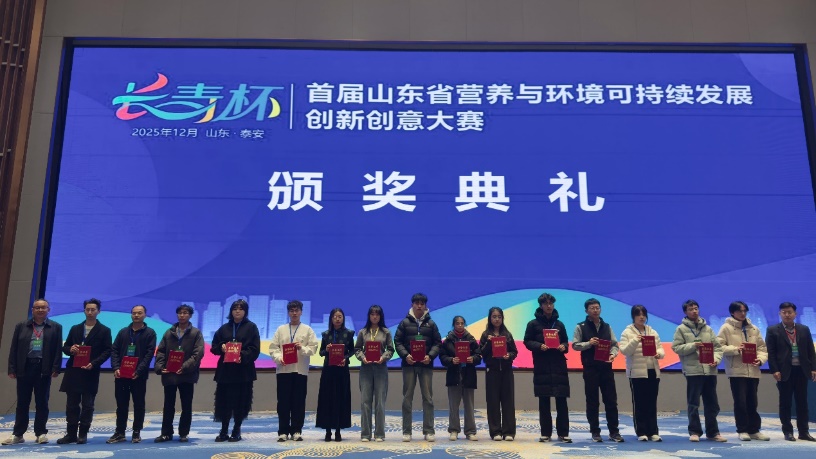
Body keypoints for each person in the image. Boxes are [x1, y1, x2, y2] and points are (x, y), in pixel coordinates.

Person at [2, 299, 62, 446]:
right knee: (22, 402)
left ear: (48, 310)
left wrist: (56, 368)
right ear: (32, 310)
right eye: (37, 308)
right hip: (24, 368)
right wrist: (12, 368)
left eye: (43, 308)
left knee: (42, 402)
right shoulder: (22, 326)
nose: (40, 310)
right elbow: (14, 348)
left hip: (43, 368)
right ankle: (18, 434)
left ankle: (40, 433)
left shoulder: (55, 327)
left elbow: (57, 350)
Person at [56, 298, 112, 445]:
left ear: (98, 311)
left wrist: (94, 363)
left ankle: (83, 434)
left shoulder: (104, 330)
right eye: (87, 309)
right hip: (73, 371)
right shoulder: (75, 328)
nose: (90, 312)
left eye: (93, 309)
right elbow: (65, 347)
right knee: (71, 405)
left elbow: (107, 351)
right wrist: (70, 349)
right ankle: (71, 434)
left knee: (88, 405)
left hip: (90, 371)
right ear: (84, 311)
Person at [671, 299, 726, 442]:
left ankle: (713, 432)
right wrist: (693, 346)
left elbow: (718, 348)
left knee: (712, 404)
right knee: (693, 403)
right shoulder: (681, 329)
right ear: (685, 312)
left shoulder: (708, 329)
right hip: (693, 371)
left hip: (709, 371)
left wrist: (716, 360)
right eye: (691, 309)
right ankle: (695, 431)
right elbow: (676, 348)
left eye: (696, 308)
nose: (694, 311)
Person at [572, 298, 623, 443]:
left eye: (597, 308)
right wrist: (589, 343)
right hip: (590, 369)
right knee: (592, 401)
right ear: (586, 310)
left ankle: (614, 431)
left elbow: (614, 345)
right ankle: (595, 431)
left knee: (611, 401)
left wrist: (613, 354)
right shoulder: (580, 327)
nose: (595, 310)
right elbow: (575, 345)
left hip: (606, 368)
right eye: (592, 308)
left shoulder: (607, 326)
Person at [717, 300, 769, 441]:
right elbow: (719, 347)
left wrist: (760, 360)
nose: (743, 313)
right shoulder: (726, 328)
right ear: (732, 312)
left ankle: (754, 430)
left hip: (753, 370)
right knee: (740, 402)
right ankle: (742, 430)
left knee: (753, 402)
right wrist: (735, 349)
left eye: (745, 311)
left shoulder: (754, 329)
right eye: (739, 311)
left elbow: (762, 348)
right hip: (736, 371)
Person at [210, 299, 260, 442]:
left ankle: (236, 429)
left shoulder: (251, 327)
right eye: (234, 309)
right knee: (224, 401)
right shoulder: (224, 328)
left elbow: (255, 349)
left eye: (240, 309)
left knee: (241, 401)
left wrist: (241, 356)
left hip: (243, 371)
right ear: (231, 311)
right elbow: (214, 347)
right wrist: (221, 347)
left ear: (245, 311)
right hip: (225, 371)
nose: (237, 311)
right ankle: (224, 430)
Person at [394, 292, 442, 442]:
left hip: (426, 366)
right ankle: (406, 431)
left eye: (422, 303)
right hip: (409, 365)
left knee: (428, 398)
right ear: (412, 305)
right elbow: (397, 342)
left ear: (425, 306)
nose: (419, 306)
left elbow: (437, 343)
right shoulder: (404, 323)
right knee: (407, 398)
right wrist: (405, 355)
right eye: (417, 303)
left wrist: (430, 356)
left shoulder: (431, 324)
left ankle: (429, 430)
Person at [765, 302, 816, 441]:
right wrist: (774, 370)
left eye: (789, 312)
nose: (787, 315)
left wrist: (813, 368)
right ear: (779, 314)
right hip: (784, 371)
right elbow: (771, 352)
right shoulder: (773, 330)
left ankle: (804, 432)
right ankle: (788, 432)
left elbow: (810, 350)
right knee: (785, 403)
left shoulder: (804, 329)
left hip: (802, 370)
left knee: (802, 403)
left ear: (795, 314)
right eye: (784, 312)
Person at [154, 304, 205, 443]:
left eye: (185, 313)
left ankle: (184, 433)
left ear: (190, 315)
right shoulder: (169, 332)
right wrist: (160, 367)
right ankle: (166, 433)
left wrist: (184, 367)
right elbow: (160, 351)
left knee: (186, 406)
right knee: (168, 406)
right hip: (170, 374)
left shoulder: (196, 333)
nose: (182, 315)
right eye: (180, 313)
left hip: (187, 375)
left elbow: (198, 353)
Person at [269, 300, 319, 442]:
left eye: (297, 310)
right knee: (283, 402)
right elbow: (273, 348)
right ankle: (283, 431)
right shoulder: (281, 329)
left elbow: (313, 348)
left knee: (298, 401)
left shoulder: (307, 330)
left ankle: (297, 430)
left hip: (300, 371)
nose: (294, 313)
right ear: (288, 313)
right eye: (291, 311)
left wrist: (301, 348)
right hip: (283, 370)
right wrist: (279, 358)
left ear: (301, 312)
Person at [525, 293, 571, 443]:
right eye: (546, 303)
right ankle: (545, 433)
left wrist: (563, 346)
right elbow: (527, 341)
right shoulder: (533, 324)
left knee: (561, 401)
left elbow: (566, 342)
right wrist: (539, 346)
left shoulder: (559, 324)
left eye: (551, 303)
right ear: (541, 306)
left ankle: (563, 433)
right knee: (544, 401)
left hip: (559, 366)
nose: (549, 306)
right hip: (542, 365)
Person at [107, 305, 156, 444]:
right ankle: (120, 432)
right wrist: (116, 367)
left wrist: (139, 371)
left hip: (138, 376)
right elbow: (114, 350)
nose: (136, 315)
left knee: (139, 404)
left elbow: (149, 354)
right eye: (134, 313)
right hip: (121, 375)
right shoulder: (123, 332)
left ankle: (136, 432)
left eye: (139, 313)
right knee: (121, 405)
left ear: (145, 315)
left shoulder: (150, 333)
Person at [619, 305, 665, 442]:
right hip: (637, 373)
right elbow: (625, 351)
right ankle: (641, 432)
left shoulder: (652, 331)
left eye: (644, 314)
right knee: (639, 403)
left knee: (652, 402)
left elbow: (661, 349)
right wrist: (635, 340)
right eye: (638, 314)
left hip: (652, 371)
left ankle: (653, 431)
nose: (642, 317)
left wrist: (659, 354)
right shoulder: (627, 332)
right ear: (633, 316)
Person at [354, 305, 394, 442]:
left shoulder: (386, 332)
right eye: (372, 314)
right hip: (366, 369)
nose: (375, 316)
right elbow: (357, 349)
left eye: (377, 314)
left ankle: (379, 434)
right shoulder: (363, 332)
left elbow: (391, 349)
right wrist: (362, 358)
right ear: (369, 316)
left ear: (381, 316)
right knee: (365, 401)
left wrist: (383, 357)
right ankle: (365, 434)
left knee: (380, 402)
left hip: (381, 368)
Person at [479, 306, 518, 441]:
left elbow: (514, 351)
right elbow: (481, 353)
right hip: (492, 371)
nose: (497, 319)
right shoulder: (485, 335)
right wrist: (489, 342)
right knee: (493, 401)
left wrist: (509, 356)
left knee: (508, 401)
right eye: (494, 317)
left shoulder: (507, 334)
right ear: (490, 318)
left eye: (499, 317)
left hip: (506, 371)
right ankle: (495, 431)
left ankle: (509, 432)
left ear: (502, 318)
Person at [316, 308, 355, 441]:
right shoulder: (326, 334)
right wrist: (326, 349)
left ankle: (338, 430)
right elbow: (321, 352)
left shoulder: (349, 334)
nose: (337, 319)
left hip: (342, 370)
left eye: (340, 316)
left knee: (340, 398)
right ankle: (328, 431)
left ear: (343, 318)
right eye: (335, 317)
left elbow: (352, 351)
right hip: (328, 370)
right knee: (327, 399)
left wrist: (346, 358)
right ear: (331, 319)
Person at [440, 316, 481, 441]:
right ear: (454, 325)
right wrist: (451, 360)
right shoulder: (448, 341)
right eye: (457, 323)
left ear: (465, 325)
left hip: (468, 376)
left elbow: (479, 355)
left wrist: (473, 359)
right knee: (454, 405)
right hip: (454, 376)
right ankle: (454, 430)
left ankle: (470, 431)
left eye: (462, 323)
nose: (460, 325)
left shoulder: (471, 340)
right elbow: (442, 357)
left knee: (469, 406)